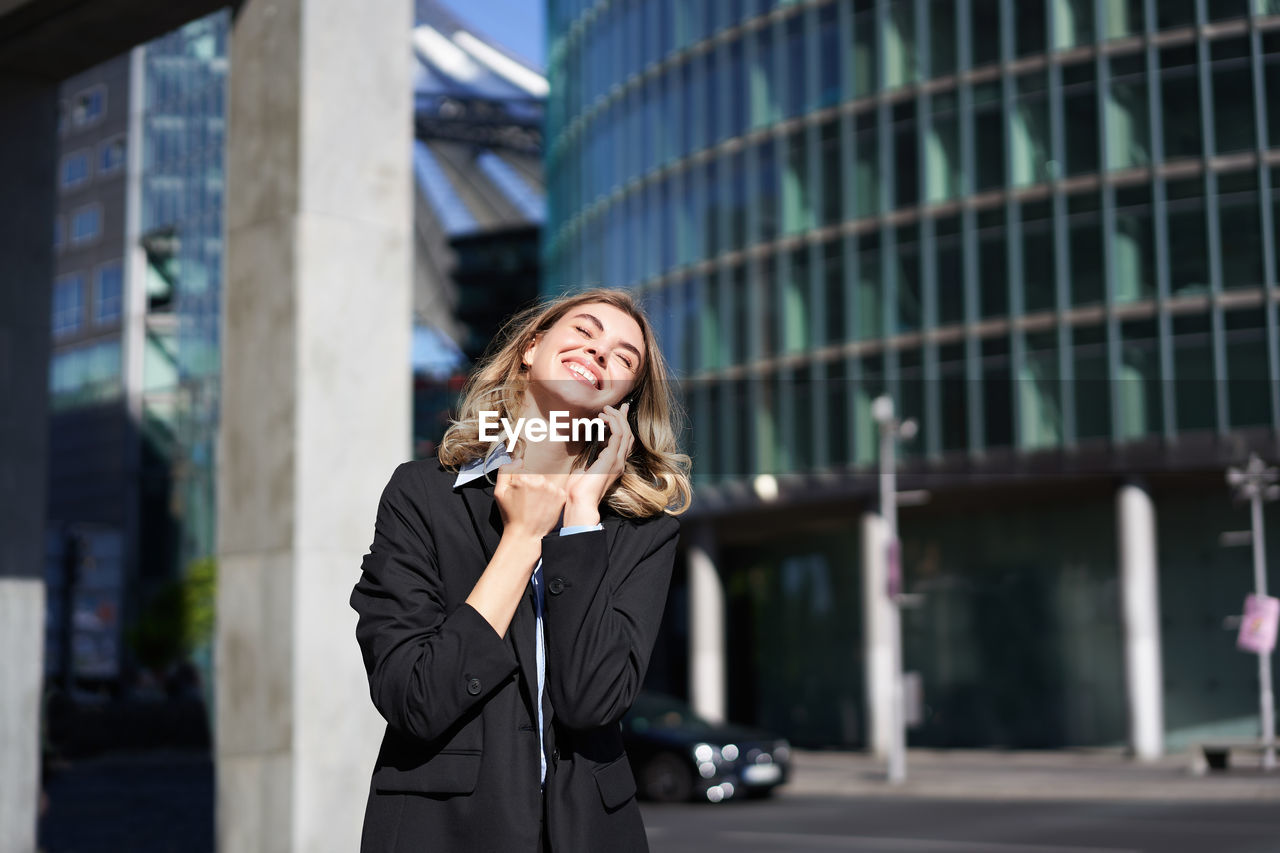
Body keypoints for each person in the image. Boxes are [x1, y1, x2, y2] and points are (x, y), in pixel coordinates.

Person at [350, 288, 692, 852]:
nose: (601, 352)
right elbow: (416, 697)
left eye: (625, 357)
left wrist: (581, 516)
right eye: (584, 332)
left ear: (626, 398)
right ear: (532, 348)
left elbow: (591, 702)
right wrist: (522, 537)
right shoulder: (421, 497)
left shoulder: (642, 533)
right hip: (441, 834)